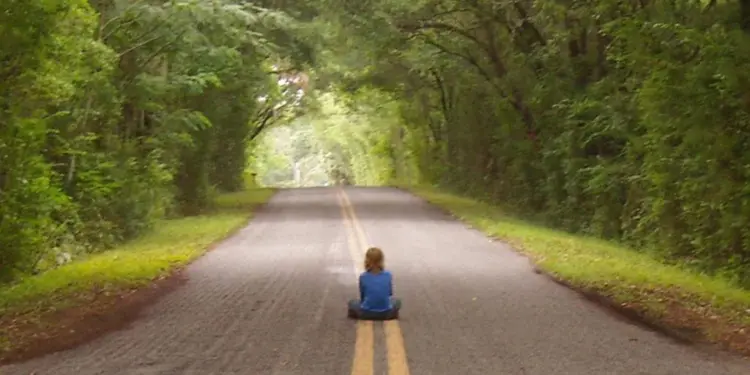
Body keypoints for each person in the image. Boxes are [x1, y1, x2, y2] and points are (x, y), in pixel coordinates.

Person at [348, 247, 402, 320]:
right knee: (397, 301)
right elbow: (389, 293)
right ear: (382, 260)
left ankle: (356, 314)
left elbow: (363, 296)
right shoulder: (388, 275)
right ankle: (392, 314)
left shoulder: (363, 276)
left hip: (366, 313)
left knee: (352, 303)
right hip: (386, 313)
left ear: (367, 261)